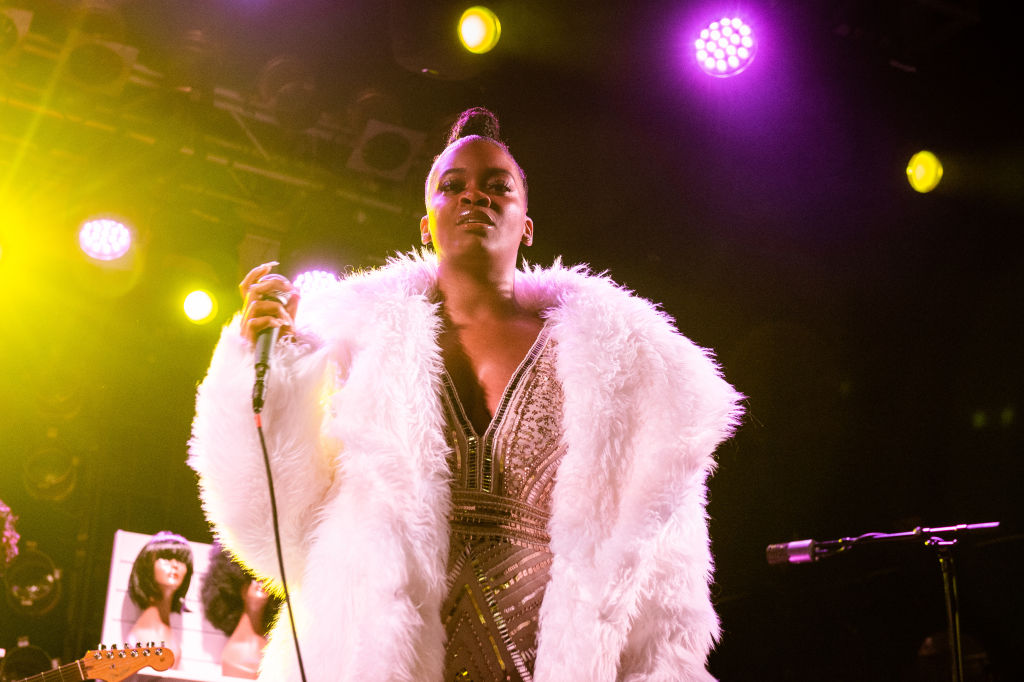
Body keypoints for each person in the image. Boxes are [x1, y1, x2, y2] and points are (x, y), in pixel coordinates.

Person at [188, 107, 743, 682]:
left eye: (497, 186)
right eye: (452, 186)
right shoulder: (350, 348)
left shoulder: (627, 369)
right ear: (425, 224)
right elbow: (275, 527)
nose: (474, 196)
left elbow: (663, 578)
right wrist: (264, 370)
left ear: (527, 224)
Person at [201, 542, 281, 679]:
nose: (261, 582)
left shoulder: (271, 651)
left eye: (266, 578)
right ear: (237, 585)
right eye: (252, 577)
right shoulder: (235, 653)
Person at [126, 531, 193, 657]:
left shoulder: (166, 632)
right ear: (148, 565)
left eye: (181, 560)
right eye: (166, 557)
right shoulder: (143, 636)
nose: (175, 565)